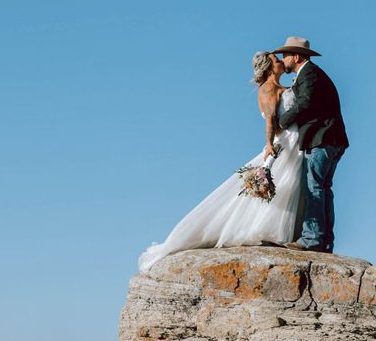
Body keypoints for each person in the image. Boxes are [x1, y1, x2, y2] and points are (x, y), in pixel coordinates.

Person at [137, 51, 305, 272]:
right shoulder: (269, 88)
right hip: (283, 142)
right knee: (286, 183)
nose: (281, 62)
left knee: (290, 186)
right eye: (276, 61)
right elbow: (271, 120)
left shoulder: (278, 86)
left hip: (293, 142)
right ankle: (267, 229)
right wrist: (270, 144)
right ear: (267, 68)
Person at [272, 37, 350, 253]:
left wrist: (281, 122)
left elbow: (305, 103)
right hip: (331, 140)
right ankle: (324, 241)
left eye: (285, 55)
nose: (283, 59)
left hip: (322, 140)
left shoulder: (310, 74)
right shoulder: (310, 75)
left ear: (296, 57)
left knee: (313, 187)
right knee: (324, 189)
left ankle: (312, 239)